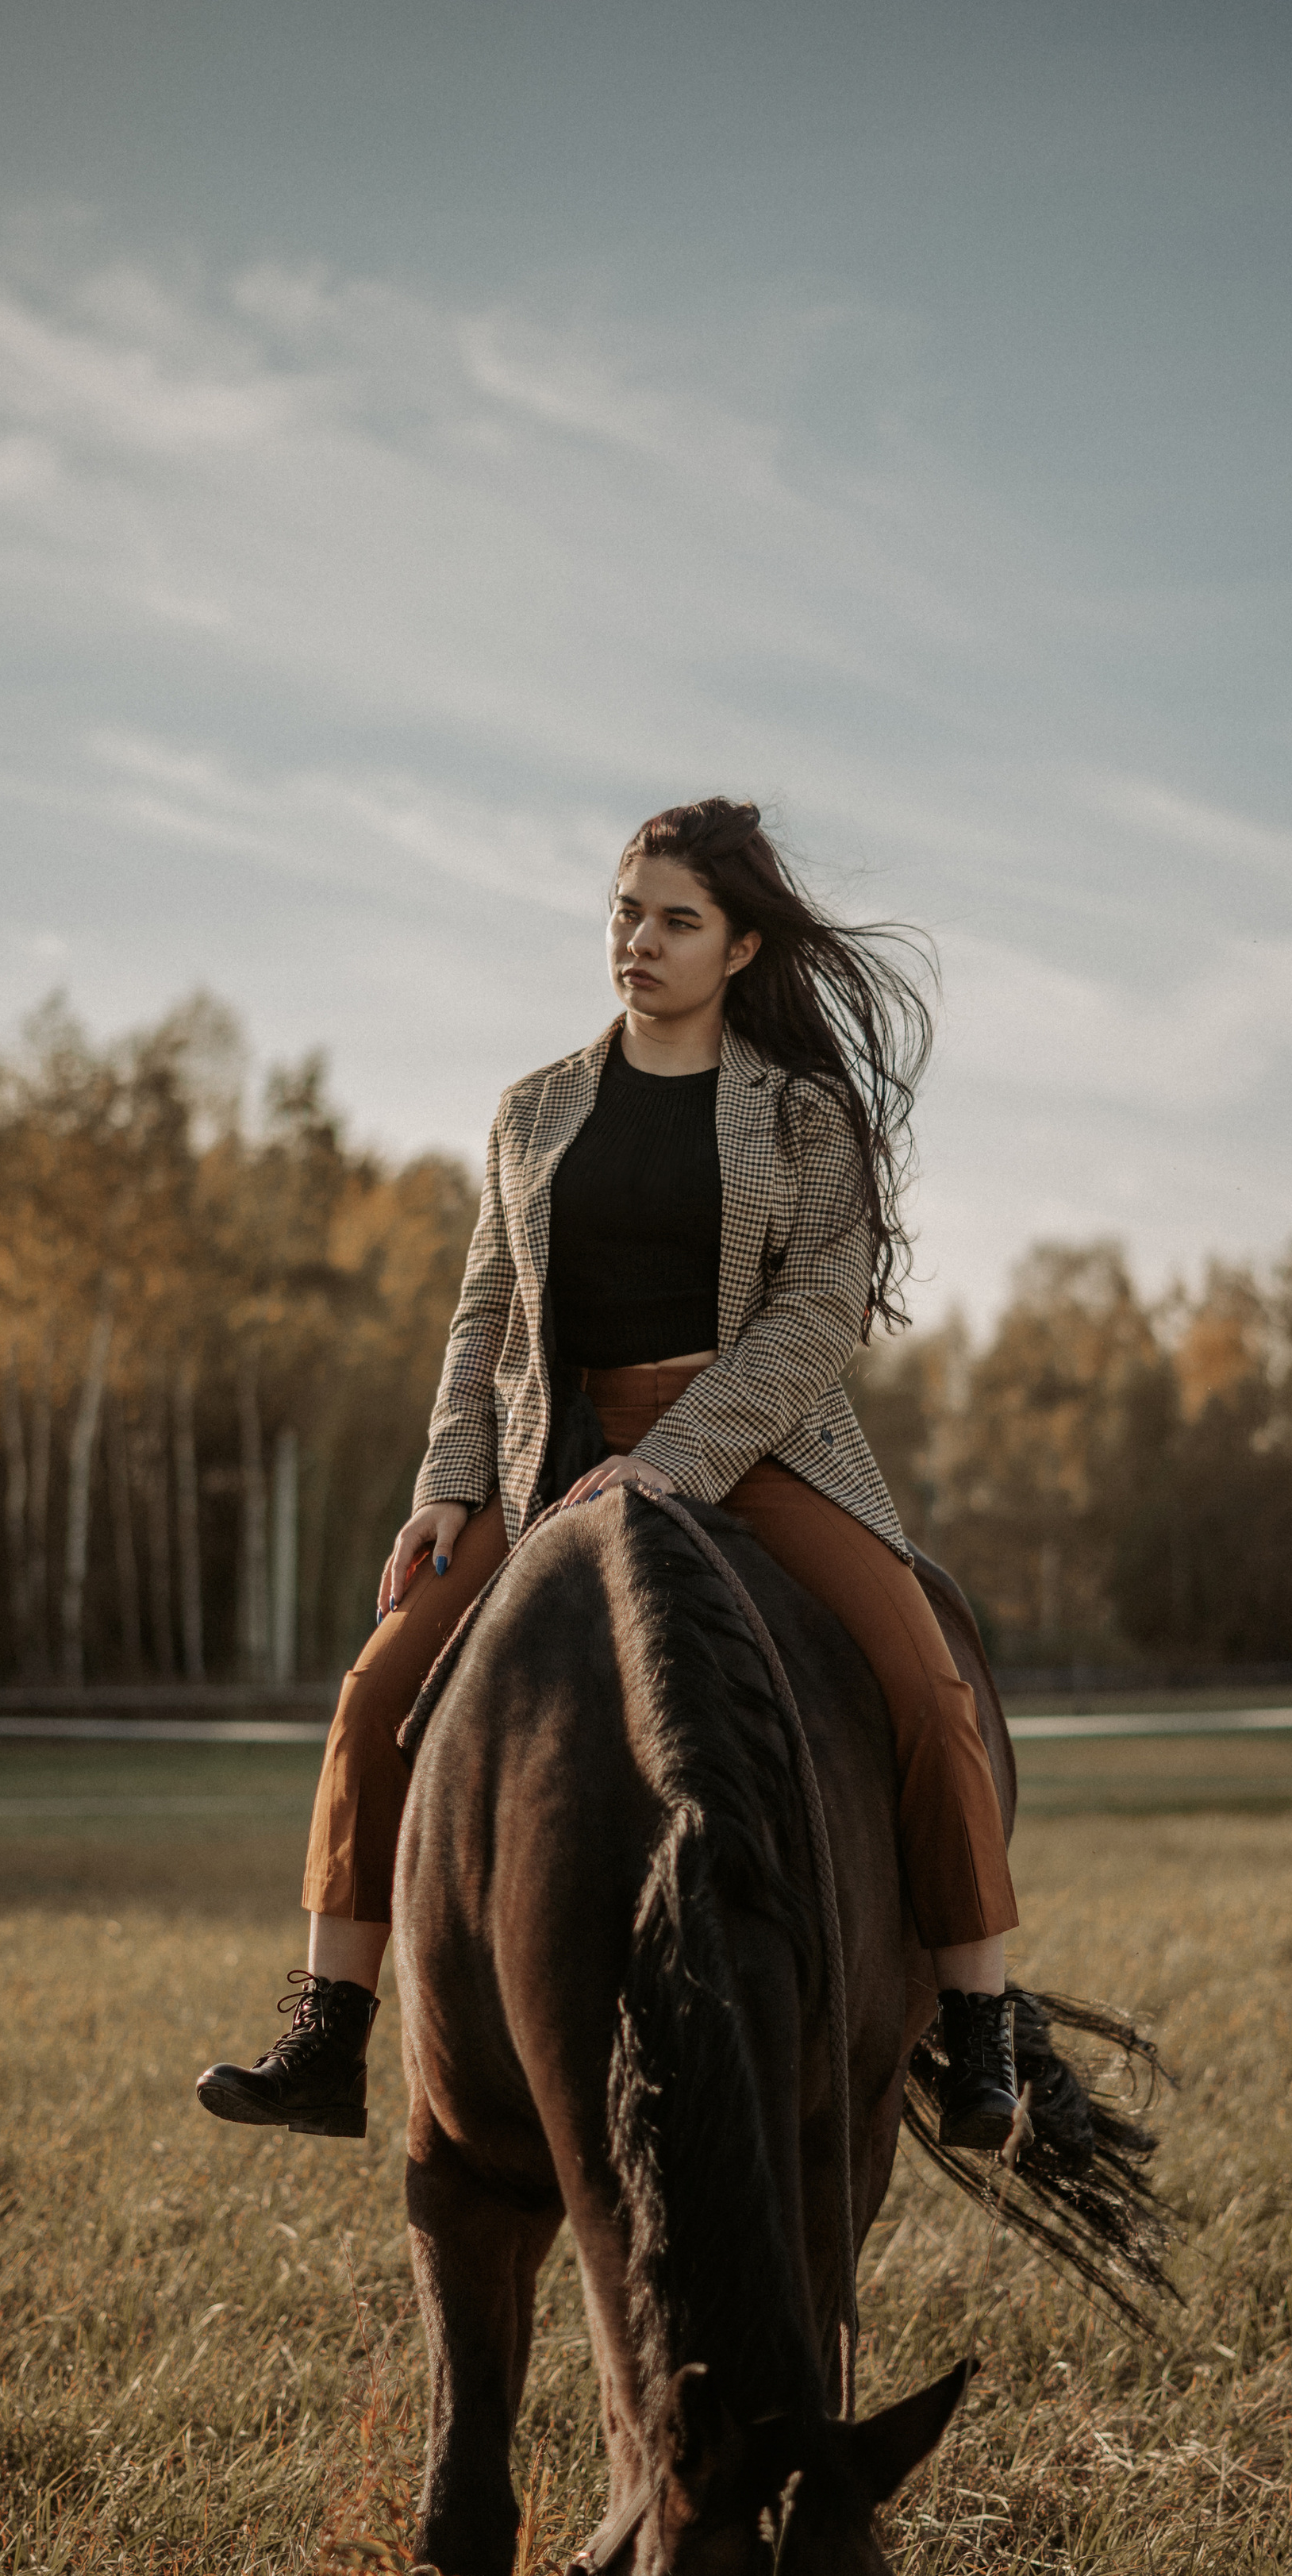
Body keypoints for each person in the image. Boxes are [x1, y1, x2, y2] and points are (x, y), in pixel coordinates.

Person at [195, 798, 1023, 2153]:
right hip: (552, 1455)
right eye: (626, 913)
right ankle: (329, 2030)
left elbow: (818, 1315)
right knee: (375, 1689)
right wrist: (448, 1480)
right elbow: (485, 1312)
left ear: (741, 948)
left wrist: (673, 1461)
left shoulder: (804, 1115)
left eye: (677, 922)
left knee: (929, 1688)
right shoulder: (531, 1112)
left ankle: (982, 2023)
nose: (640, 941)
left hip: (759, 1447)